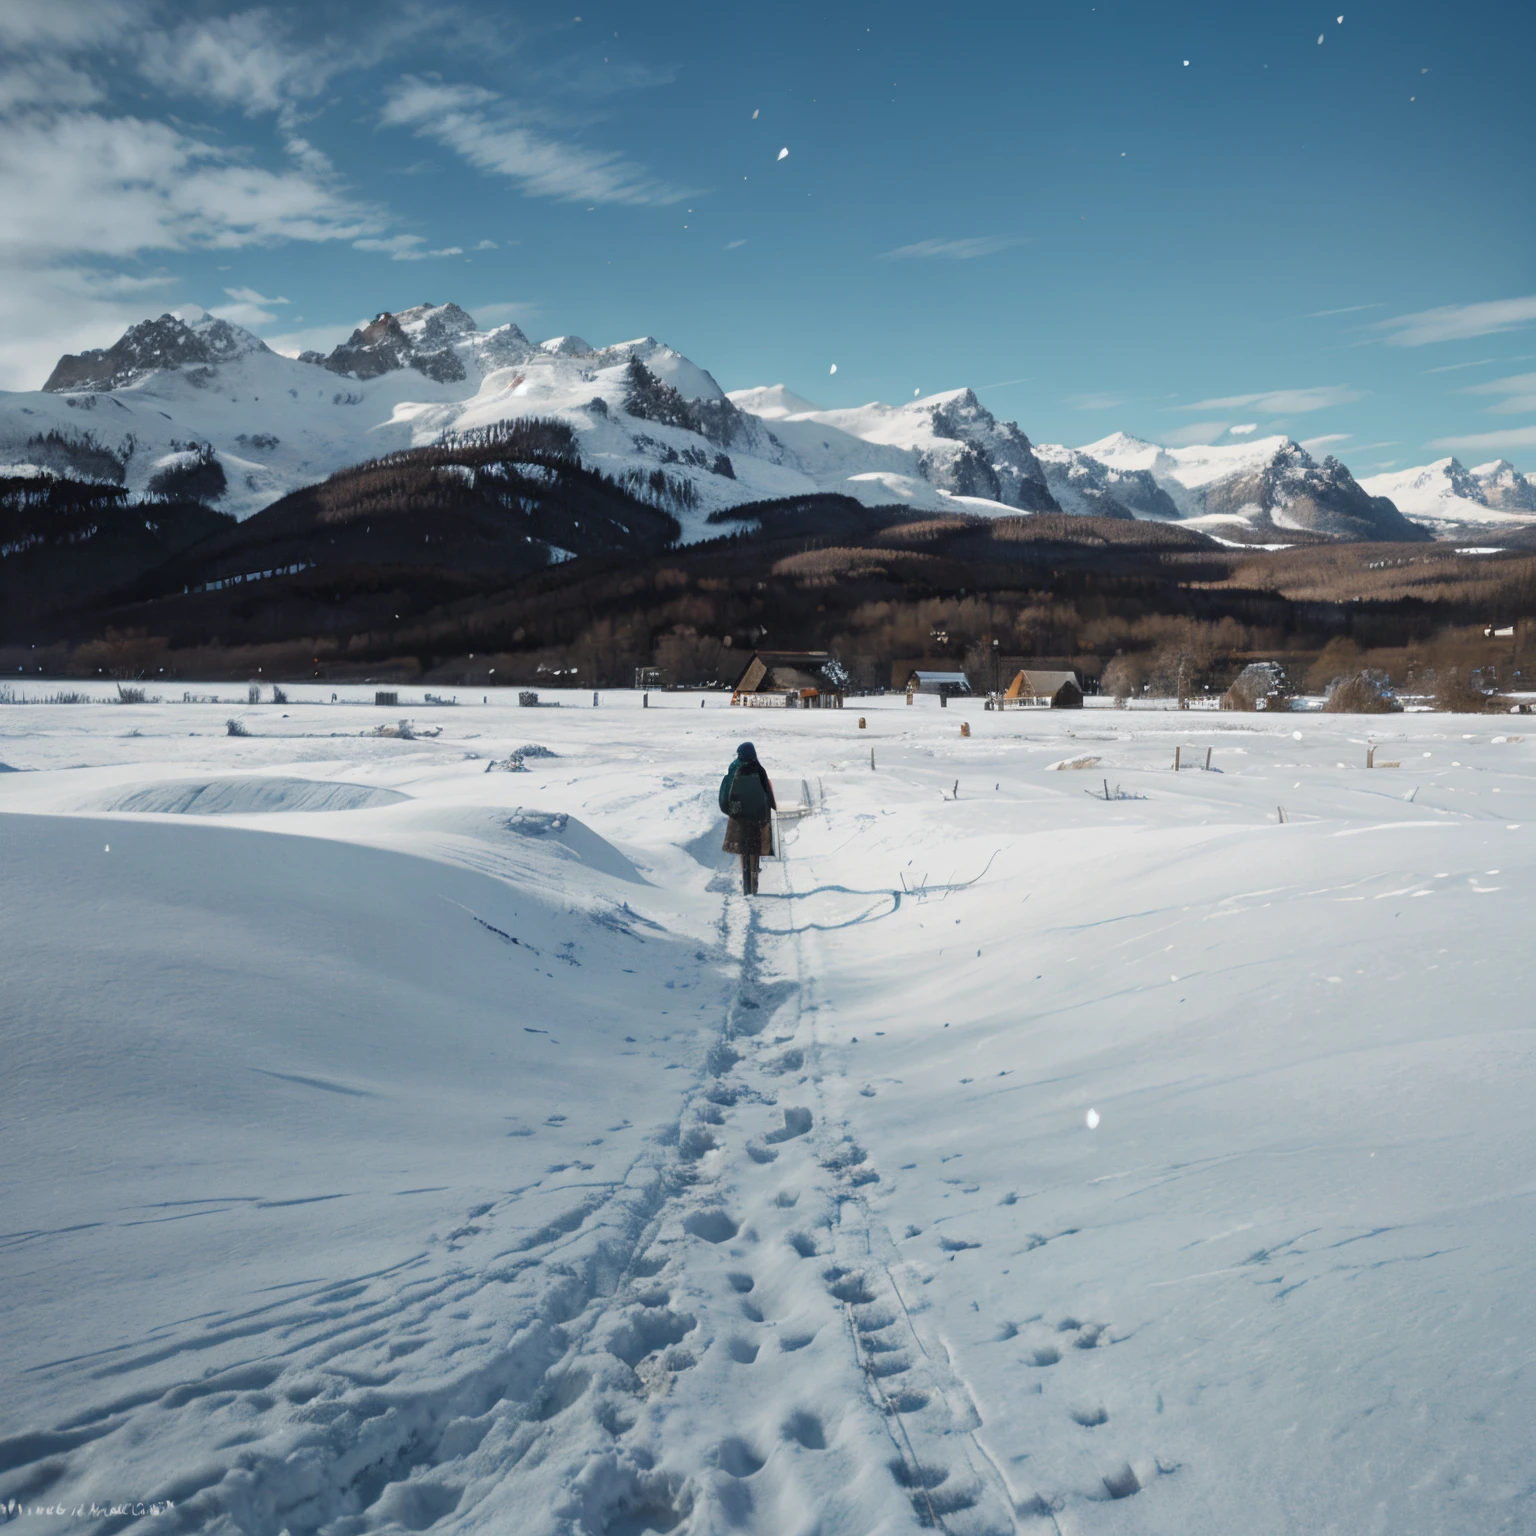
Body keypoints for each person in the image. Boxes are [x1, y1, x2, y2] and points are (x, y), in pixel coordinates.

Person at [719, 741, 776, 895]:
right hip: (758, 817)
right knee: (755, 849)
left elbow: (725, 795)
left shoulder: (734, 768)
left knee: (743, 849)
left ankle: (746, 884)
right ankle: (754, 883)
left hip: (739, 817)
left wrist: (731, 811)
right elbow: (767, 793)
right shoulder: (760, 769)